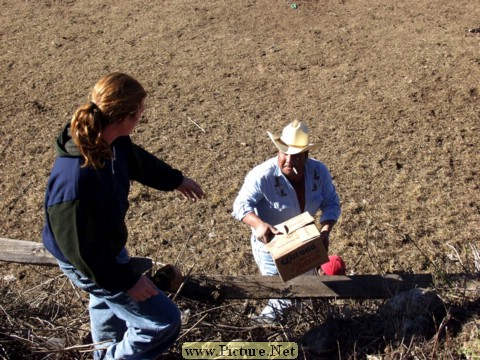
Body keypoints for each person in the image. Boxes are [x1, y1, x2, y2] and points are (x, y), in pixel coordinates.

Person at [42, 72, 204, 359]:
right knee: (162, 321)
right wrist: (125, 279)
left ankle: (103, 352)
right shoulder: (75, 180)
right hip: (86, 258)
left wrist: (175, 180)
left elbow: (137, 161)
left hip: (105, 245)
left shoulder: (111, 141)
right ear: (125, 116)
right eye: (140, 111)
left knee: (105, 306)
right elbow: (81, 252)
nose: (143, 116)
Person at [232, 120, 341, 322]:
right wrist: (259, 224)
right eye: (285, 153)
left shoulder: (318, 172)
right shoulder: (262, 175)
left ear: (306, 156)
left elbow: (331, 202)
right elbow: (240, 205)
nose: (289, 159)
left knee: (307, 290)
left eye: (296, 156)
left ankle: (306, 326)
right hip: (272, 248)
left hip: (305, 242)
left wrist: (325, 231)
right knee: (284, 297)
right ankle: (261, 328)